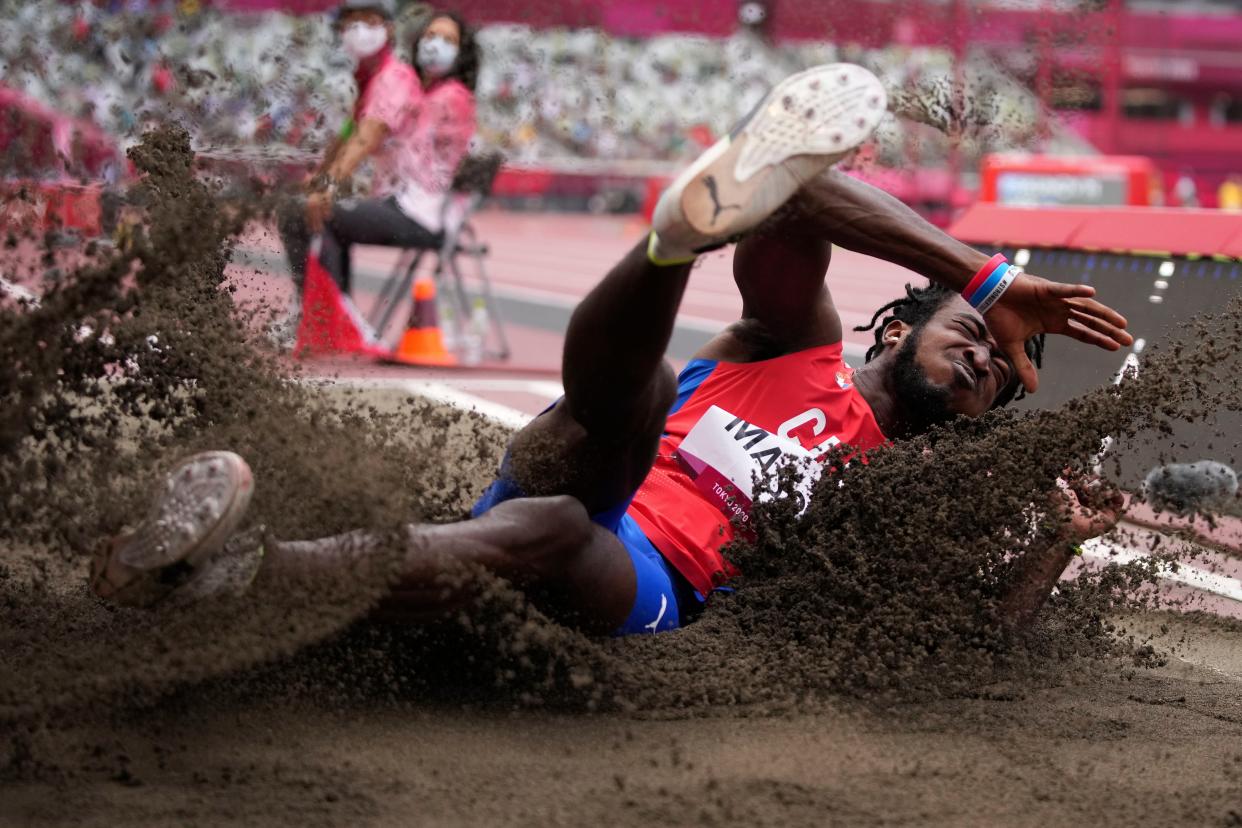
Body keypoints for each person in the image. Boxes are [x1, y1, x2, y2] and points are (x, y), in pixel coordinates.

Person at [93, 63, 1132, 633]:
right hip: (589, 456)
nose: (984, 364)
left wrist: (1058, 542)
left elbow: (977, 638)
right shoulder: (797, 344)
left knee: (556, 526)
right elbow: (794, 187)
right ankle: (674, 241)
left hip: (641, 583)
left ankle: (245, 576)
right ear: (900, 327)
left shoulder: (896, 493)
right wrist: (993, 280)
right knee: (629, 407)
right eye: (972, 340)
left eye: (993, 378)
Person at [274, 1, 479, 335]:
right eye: (429, 35)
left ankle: (331, 318)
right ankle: (324, 314)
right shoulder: (393, 83)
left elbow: (369, 133)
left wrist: (327, 184)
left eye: (368, 21)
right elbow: (352, 131)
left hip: (420, 213)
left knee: (313, 213)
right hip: (405, 204)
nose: (359, 30)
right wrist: (323, 177)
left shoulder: (418, 86)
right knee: (309, 211)